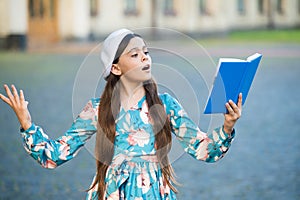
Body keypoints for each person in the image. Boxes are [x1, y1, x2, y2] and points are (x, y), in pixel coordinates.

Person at [0, 28, 242, 200]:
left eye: (146, 52)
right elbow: (54, 155)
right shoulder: (96, 109)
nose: (145, 58)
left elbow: (204, 151)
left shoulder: (166, 105)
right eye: (134, 55)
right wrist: (27, 124)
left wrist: (227, 127)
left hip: (154, 194)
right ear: (115, 68)